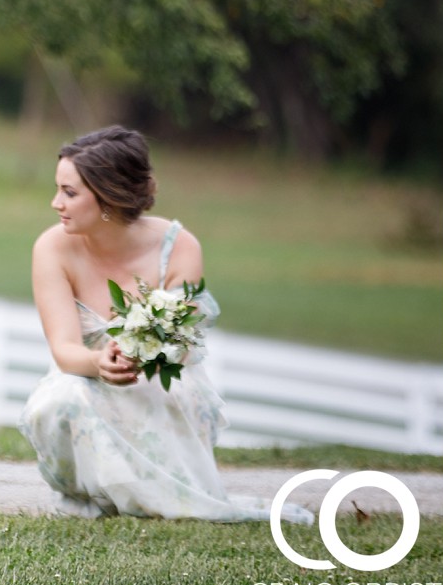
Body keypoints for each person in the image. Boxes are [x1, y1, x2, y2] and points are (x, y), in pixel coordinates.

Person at [18, 126, 312, 522]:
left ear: (107, 196)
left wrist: (143, 357)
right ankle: (95, 495)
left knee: (166, 391)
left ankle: (155, 495)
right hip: (84, 377)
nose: (56, 203)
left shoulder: (179, 246)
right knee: (61, 399)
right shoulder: (51, 248)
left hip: (159, 375)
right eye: (58, 189)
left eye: (69, 193)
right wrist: (100, 364)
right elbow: (65, 349)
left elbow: (183, 343)